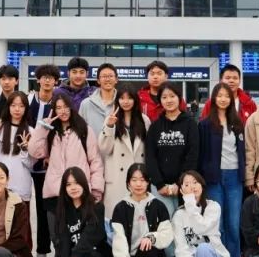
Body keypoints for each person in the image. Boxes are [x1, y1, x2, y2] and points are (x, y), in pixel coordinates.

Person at [28, 92, 105, 257]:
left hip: (78, 192)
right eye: (58, 107)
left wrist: (96, 188)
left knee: (76, 233)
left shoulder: (84, 130)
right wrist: (42, 127)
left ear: (72, 108)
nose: (62, 111)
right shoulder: (50, 131)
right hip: (55, 191)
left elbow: (95, 161)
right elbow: (35, 151)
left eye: (65, 107)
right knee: (57, 234)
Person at [198, 83, 246, 257]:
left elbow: (243, 152)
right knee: (216, 226)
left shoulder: (238, 123)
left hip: (234, 177)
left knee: (233, 225)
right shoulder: (205, 125)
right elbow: (201, 154)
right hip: (213, 178)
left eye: (227, 96)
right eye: (220, 95)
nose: (223, 99)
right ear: (214, 98)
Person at [110, 163, 174, 257]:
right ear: (128, 183)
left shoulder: (158, 206)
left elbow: (167, 233)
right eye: (134, 180)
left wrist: (151, 237)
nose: (138, 184)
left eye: (142, 180)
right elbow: (119, 238)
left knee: (147, 248)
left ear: (148, 182)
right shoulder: (120, 208)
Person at [172, 170, 229, 257]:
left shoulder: (213, 207)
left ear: (202, 185)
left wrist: (190, 203)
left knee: (203, 248)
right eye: (187, 184)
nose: (192, 186)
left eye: (195, 182)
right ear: (181, 190)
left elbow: (202, 228)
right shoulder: (179, 215)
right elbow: (180, 246)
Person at [54, 166, 111, 257]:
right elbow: (64, 243)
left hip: (97, 256)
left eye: (76, 183)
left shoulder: (96, 206)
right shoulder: (62, 211)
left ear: (84, 184)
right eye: (68, 184)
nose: (73, 187)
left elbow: (90, 236)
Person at [98, 83, 151, 222]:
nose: (125, 102)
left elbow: (148, 150)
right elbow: (104, 149)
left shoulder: (144, 120)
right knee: (117, 221)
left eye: (129, 98)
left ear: (135, 100)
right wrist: (109, 126)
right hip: (117, 178)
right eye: (122, 98)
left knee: (139, 220)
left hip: (139, 178)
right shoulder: (111, 120)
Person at [145, 82, 199, 215]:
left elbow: (193, 155)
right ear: (160, 101)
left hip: (185, 186)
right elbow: (150, 157)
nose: (168, 100)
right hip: (160, 188)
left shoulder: (190, 124)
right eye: (164, 97)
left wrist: (180, 183)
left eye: (172, 96)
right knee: (163, 223)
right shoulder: (155, 126)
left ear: (179, 98)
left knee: (185, 223)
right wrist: (159, 184)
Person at [27, 64, 59, 257]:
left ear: (56, 81)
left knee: (44, 209)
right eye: (44, 77)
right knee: (21, 208)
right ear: (38, 79)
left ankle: (42, 250)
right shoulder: (28, 100)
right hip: (25, 162)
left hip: (46, 165)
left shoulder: (58, 103)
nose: (47, 81)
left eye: (51, 78)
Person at [0, 91, 34, 203]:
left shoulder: (31, 132)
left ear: (26, 109)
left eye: (21, 106)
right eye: (13, 105)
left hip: (20, 187)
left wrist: (25, 149)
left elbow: (31, 164)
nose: (17, 109)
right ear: (8, 107)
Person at [80, 62, 120, 137]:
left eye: (110, 76)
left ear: (116, 79)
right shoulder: (86, 104)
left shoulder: (122, 103)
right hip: (92, 144)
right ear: (98, 80)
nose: (107, 79)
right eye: (104, 76)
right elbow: (80, 130)